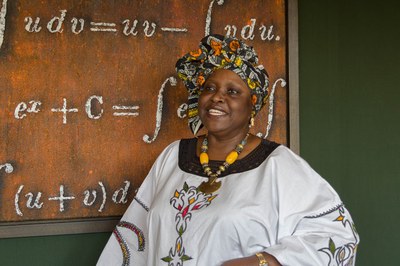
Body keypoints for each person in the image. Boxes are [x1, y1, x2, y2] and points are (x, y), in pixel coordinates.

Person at [97, 34, 359, 266]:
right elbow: (135, 239)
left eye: (232, 92)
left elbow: (338, 238)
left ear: (252, 104)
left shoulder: (278, 165)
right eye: (210, 88)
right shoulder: (173, 156)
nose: (217, 97)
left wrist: (264, 262)